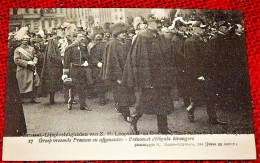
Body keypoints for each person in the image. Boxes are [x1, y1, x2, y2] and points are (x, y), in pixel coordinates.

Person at [122, 14, 176, 134]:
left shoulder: (159, 36)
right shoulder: (142, 37)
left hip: (161, 77)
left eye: (159, 23)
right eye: (156, 23)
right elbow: (137, 59)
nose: (159, 25)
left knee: (163, 103)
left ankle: (163, 128)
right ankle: (133, 123)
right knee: (143, 103)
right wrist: (143, 78)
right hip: (148, 77)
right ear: (149, 23)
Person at [185, 21, 226, 126]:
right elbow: (192, 61)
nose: (203, 30)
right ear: (194, 29)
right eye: (201, 28)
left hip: (207, 72)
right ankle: (190, 109)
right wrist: (198, 75)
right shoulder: (190, 42)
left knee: (209, 96)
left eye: (203, 28)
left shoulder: (202, 40)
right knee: (199, 97)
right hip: (198, 75)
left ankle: (212, 118)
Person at [102, 23, 136, 122]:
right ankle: (127, 115)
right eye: (122, 33)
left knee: (126, 94)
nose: (124, 34)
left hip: (126, 73)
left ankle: (121, 108)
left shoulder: (125, 43)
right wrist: (118, 77)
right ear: (116, 34)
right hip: (118, 75)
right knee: (122, 95)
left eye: (125, 32)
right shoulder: (112, 44)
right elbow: (113, 62)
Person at [62, 33, 92, 111]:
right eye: (80, 37)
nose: (82, 38)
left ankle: (83, 105)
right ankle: (70, 102)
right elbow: (66, 61)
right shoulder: (70, 48)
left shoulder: (83, 47)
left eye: (83, 37)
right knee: (72, 88)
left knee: (83, 87)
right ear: (75, 38)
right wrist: (65, 74)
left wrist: (86, 62)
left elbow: (87, 57)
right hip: (73, 70)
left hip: (82, 70)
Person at [38, 29, 63, 105]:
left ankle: (51, 98)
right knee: (52, 83)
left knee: (51, 83)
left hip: (50, 66)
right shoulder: (52, 42)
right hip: (52, 67)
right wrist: (60, 59)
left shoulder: (50, 42)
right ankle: (51, 99)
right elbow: (52, 55)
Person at [14, 35, 40, 104]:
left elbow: (35, 56)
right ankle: (22, 99)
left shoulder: (31, 48)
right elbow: (16, 60)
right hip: (23, 68)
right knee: (22, 84)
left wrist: (35, 61)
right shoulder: (17, 50)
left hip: (31, 68)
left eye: (27, 39)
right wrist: (27, 62)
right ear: (21, 40)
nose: (26, 41)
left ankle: (33, 98)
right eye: (24, 39)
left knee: (34, 82)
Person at [87, 26, 107, 105]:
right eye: (96, 34)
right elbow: (90, 57)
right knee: (98, 82)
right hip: (95, 66)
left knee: (103, 82)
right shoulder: (91, 45)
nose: (98, 36)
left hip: (104, 65)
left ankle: (102, 97)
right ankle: (100, 97)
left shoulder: (105, 44)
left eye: (100, 34)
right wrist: (97, 63)